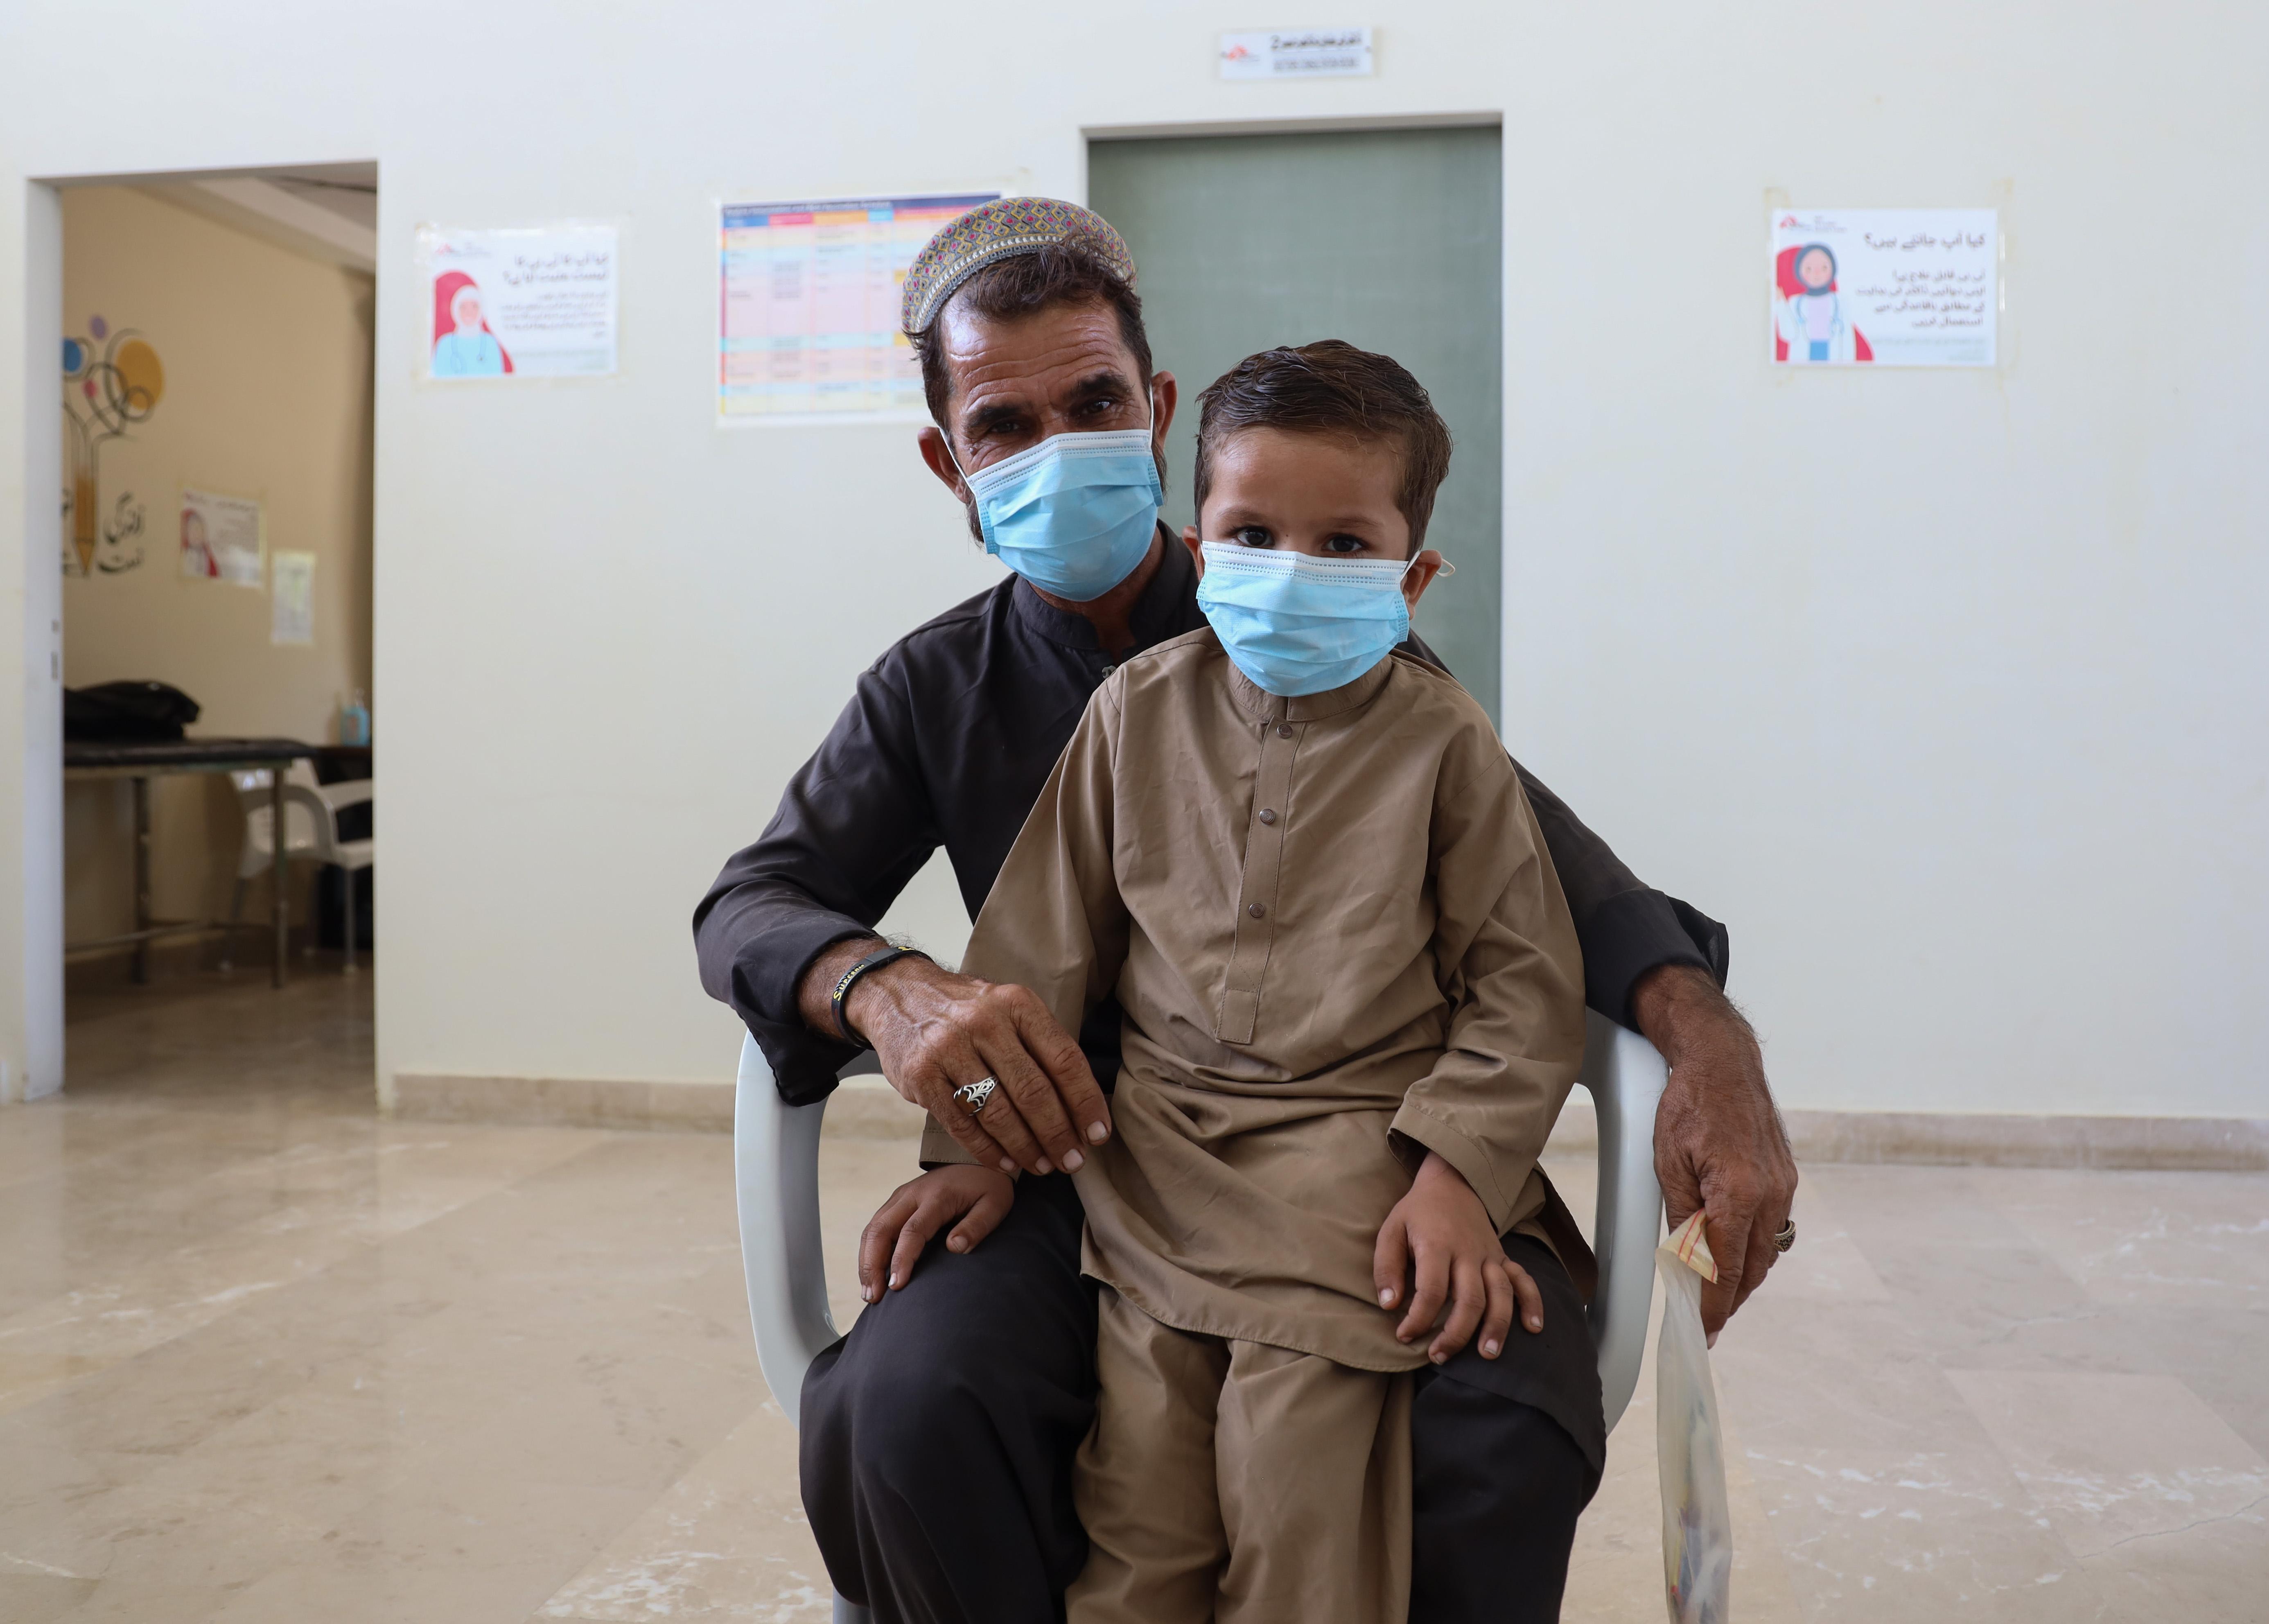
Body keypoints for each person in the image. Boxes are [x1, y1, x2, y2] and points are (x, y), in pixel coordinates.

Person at [692, 198, 1797, 1624]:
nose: (1058, 451)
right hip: (1080, 1145)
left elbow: (1556, 888)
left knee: (1496, 1417)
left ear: (1153, 407)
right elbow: (756, 901)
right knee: (905, 1404)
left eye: (1092, 401)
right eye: (1002, 426)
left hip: (1372, 1144)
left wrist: (1700, 1029)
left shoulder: (1331, 626)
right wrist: (887, 990)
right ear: (946, 462)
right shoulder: (934, 689)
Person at [942, 338, 1589, 1624]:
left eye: (1344, 546)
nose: (1294, 573)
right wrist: (966, 1146)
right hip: (1151, 1166)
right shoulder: (1132, 711)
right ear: (1199, 546)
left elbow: (1522, 987)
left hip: (1353, 1177)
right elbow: (1034, 951)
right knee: (1138, 1530)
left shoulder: (1443, 739)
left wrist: (1460, 1178)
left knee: (1297, 1513)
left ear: (1413, 574)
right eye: (1254, 530)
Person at [431, 271, 510, 376]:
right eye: (463, 307)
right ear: (455, 310)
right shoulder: (445, 344)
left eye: (474, 307)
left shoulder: (490, 343)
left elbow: (498, 381)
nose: (469, 312)